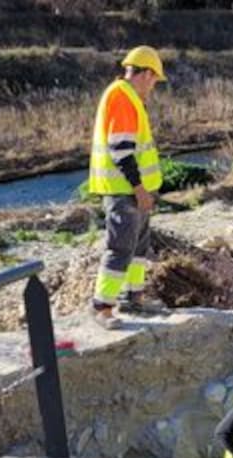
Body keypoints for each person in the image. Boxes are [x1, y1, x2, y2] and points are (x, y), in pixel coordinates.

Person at [88, 45, 169, 330]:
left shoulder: (128, 96)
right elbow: (121, 149)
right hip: (124, 190)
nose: (153, 87)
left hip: (133, 190)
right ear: (146, 74)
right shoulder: (122, 97)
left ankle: (133, 297)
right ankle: (102, 306)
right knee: (121, 247)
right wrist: (139, 189)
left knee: (139, 246)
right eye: (154, 80)